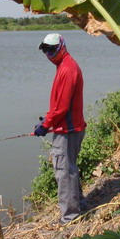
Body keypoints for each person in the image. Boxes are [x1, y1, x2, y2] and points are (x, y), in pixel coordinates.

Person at [33, 33, 86, 224]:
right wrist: (47, 120)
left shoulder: (67, 69)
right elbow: (59, 105)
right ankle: (80, 205)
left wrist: (46, 125)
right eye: (46, 50)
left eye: (52, 48)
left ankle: (70, 217)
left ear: (62, 46)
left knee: (64, 172)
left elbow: (62, 107)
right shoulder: (63, 65)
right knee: (69, 168)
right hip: (67, 127)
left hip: (68, 130)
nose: (49, 53)